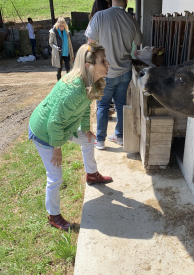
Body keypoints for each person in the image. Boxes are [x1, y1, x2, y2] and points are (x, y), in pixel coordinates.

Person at [28, 43, 112, 231]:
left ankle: (91, 174)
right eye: (103, 61)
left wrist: (85, 129)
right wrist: (57, 148)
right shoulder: (74, 89)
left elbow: (84, 107)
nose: (108, 64)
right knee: (56, 176)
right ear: (89, 65)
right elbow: (54, 122)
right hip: (44, 132)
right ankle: (53, 216)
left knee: (89, 140)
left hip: (64, 127)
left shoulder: (89, 81)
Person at [85, 0, 143, 150]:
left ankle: (101, 140)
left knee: (103, 105)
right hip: (125, 71)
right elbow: (139, 41)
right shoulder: (132, 19)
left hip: (106, 71)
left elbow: (90, 43)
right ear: (127, 1)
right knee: (121, 105)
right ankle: (119, 136)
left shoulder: (99, 16)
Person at [49, 17, 74, 81]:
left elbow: (70, 44)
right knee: (59, 67)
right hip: (58, 52)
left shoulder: (67, 32)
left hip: (66, 51)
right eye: (60, 26)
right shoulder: (53, 32)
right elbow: (50, 43)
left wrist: (72, 54)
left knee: (67, 66)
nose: (61, 27)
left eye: (63, 26)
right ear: (57, 25)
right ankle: (59, 80)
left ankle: (68, 80)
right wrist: (56, 48)